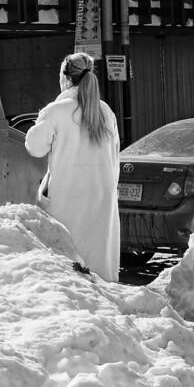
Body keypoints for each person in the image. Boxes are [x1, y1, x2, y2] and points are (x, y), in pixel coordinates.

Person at [24, 52, 120, 281]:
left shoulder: (56, 111)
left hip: (67, 197)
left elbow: (35, 147)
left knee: (69, 263)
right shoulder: (105, 111)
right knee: (99, 263)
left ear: (65, 78)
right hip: (101, 196)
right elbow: (115, 154)